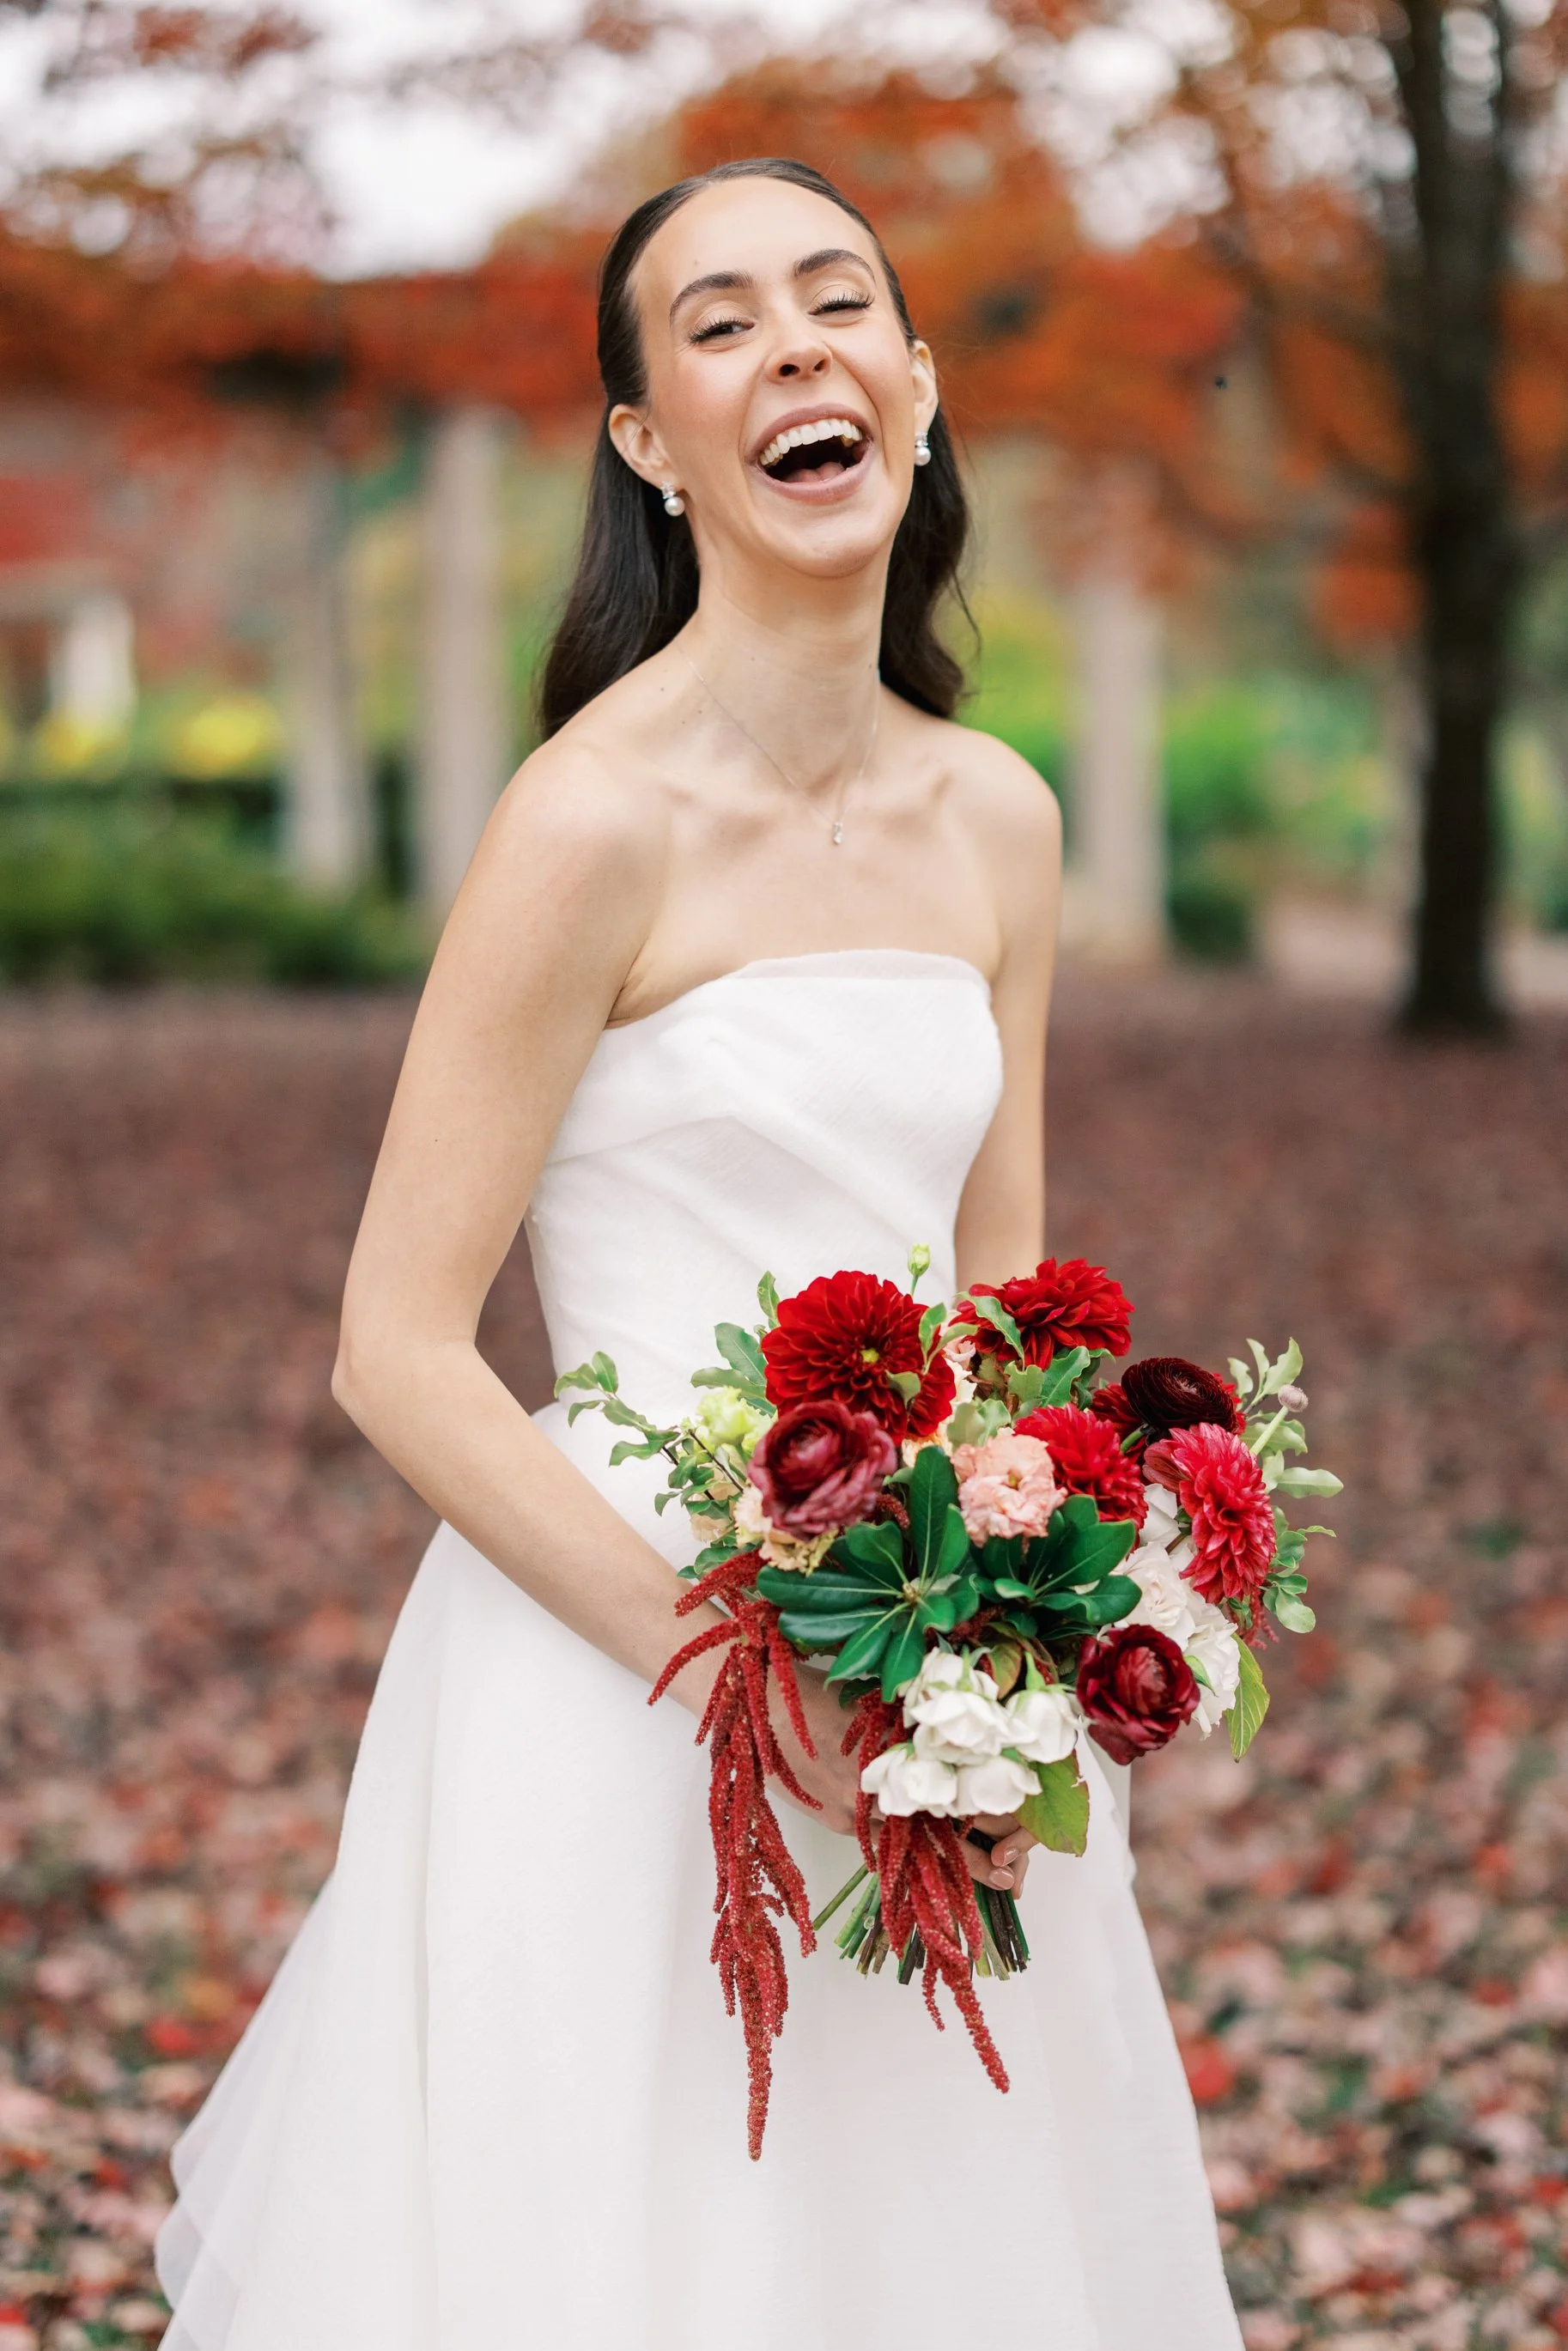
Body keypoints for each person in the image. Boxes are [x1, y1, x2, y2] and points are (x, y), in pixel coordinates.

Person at [155, 156, 1243, 2351]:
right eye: (721, 322)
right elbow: (396, 1345)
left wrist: (1010, 1653)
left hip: (928, 1649)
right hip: (615, 1671)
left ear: (917, 394)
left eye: (838, 301)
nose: (796, 347)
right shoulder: (586, 821)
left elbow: (1006, 1317)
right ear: (650, 444)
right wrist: (742, 1680)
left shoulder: (999, 817)